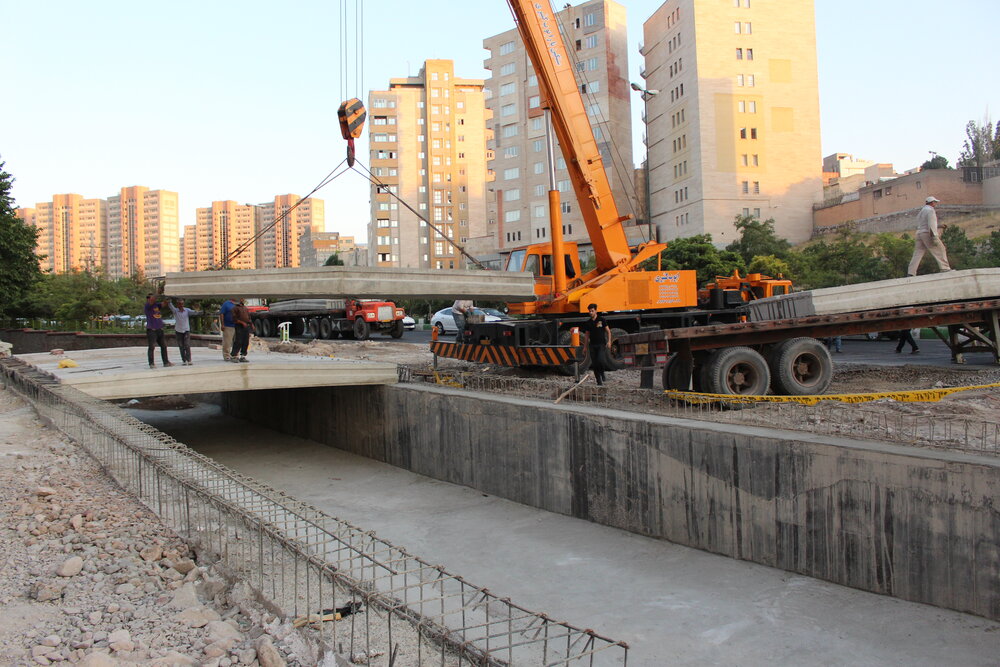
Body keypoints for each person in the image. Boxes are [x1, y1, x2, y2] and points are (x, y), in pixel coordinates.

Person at [907, 196, 951, 276]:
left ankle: (911, 272)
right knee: (939, 249)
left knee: (918, 253)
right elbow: (931, 224)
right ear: (932, 202)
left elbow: (924, 223)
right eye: (935, 202)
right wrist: (934, 236)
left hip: (919, 233)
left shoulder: (922, 211)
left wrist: (939, 226)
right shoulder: (930, 210)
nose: (936, 204)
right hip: (927, 233)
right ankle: (945, 268)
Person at [580, 303, 612, 385]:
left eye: (592, 311)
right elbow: (587, 336)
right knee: (594, 364)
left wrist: (609, 341)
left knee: (600, 360)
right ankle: (599, 382)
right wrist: (584, 347)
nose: (590, 312)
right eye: (589, 311)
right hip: (592, 346)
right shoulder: (588, 323)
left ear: (596, 311)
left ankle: (602, 373)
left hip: (601, 344)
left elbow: (608, 331)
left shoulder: (602, 320)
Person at [144, 294, 173, 369]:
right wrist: (157, 293)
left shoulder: (156, 305)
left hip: (159, 329)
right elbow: (152, 300)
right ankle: (151, 363)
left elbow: (164, 304)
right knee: (152, 347)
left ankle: (166, 362)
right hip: (152, 329)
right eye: (152, 297)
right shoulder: (148, 306)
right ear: (148, 299)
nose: (154, 299)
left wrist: (167, 299)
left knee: (163, 346)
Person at [169, 298, 200, 365]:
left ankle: (189, 359)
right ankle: (184, 360)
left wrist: (197, 310)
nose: (181, 305)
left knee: (187, 345)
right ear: (177, 305)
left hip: (186, 330)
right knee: (181, 346)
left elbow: (194, 312)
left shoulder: (187, 310)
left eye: (182, 304)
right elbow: (170, 306)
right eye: (180, 304)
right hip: (178, 330)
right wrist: (169, 301)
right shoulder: (176, 311)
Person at [230, 298, 252, 363]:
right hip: (239, 326)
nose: (243, 300)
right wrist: (242, 323)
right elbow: (234, 319)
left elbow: (249, 317)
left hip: (246, 326)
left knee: (246, 341)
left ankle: (243, 356)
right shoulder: (235, 308)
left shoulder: (245, 308)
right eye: (242, 299)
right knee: (238, 341)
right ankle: (234, 356)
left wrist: (251, 325)